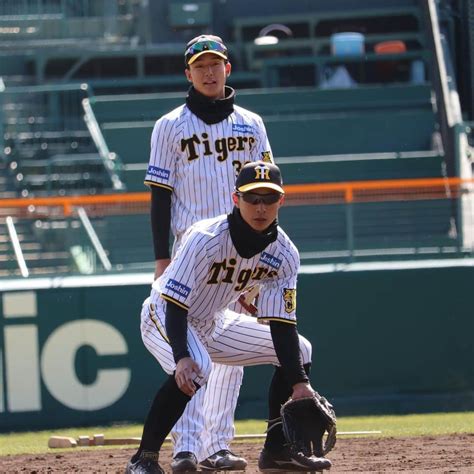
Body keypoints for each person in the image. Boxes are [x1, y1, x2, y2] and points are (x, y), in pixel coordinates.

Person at [126, 161, 332, 473]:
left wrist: (299, 383)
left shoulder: (285, 254)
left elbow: (282, 324)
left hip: (213, 321)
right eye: (252, 198)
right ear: (236, 199)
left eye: (269, 198)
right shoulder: (204, 238)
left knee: (301, 351)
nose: (260, 207)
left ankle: (276, 452)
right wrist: (181, 356)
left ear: (282, 200)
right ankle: (143, 459)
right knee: (197, 368)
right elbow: (176, 304)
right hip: (164, 314)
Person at [144, 34, 275, 471]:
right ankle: (184, 446)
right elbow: (160, 195)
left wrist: (259, 269)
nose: (208, 71)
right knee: (188, 350)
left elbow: (269, 191)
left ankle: (216, 445)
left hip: (242, 252)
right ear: (188, 73)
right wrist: (161, 258)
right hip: (188, 252)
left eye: (215, 63)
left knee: (229, 356)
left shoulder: (252, 124)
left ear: (227, 68)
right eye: (200, 65)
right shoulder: (170, 126)